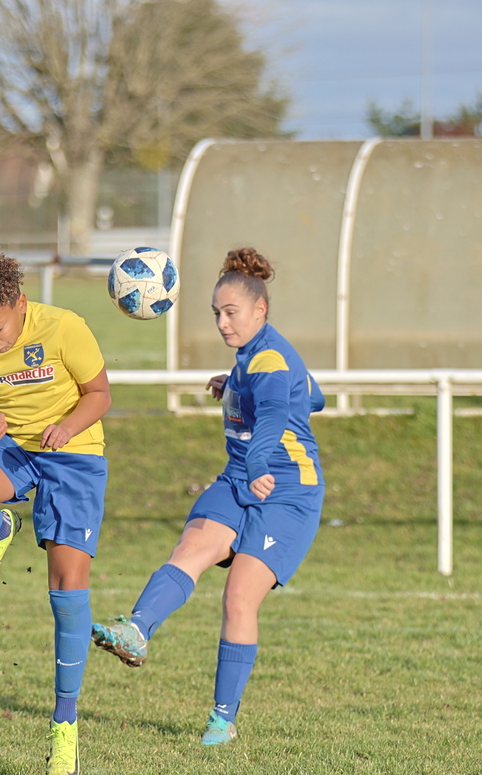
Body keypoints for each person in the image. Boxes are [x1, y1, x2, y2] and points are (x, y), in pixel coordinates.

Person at [91, 247, 324, 745]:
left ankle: (223, 719)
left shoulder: (269, 360)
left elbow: (273, 419)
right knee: (192, 549)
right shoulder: (260, 357)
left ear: (260, 310)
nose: (221, 323)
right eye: (216, 313)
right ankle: (136, 631)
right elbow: (313, 396)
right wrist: (236, 382)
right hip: (239, 479)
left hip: (287, 492)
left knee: (239, 596)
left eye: (231, 313)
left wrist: (260, 456)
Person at [0, 249, 112, 775]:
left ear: (20, 302)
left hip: (73, 454)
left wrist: (68, 427)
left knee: (66, 594)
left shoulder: (65, 328)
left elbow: (100, 394)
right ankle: (0, 530)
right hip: (14, 448)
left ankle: (65, 724)